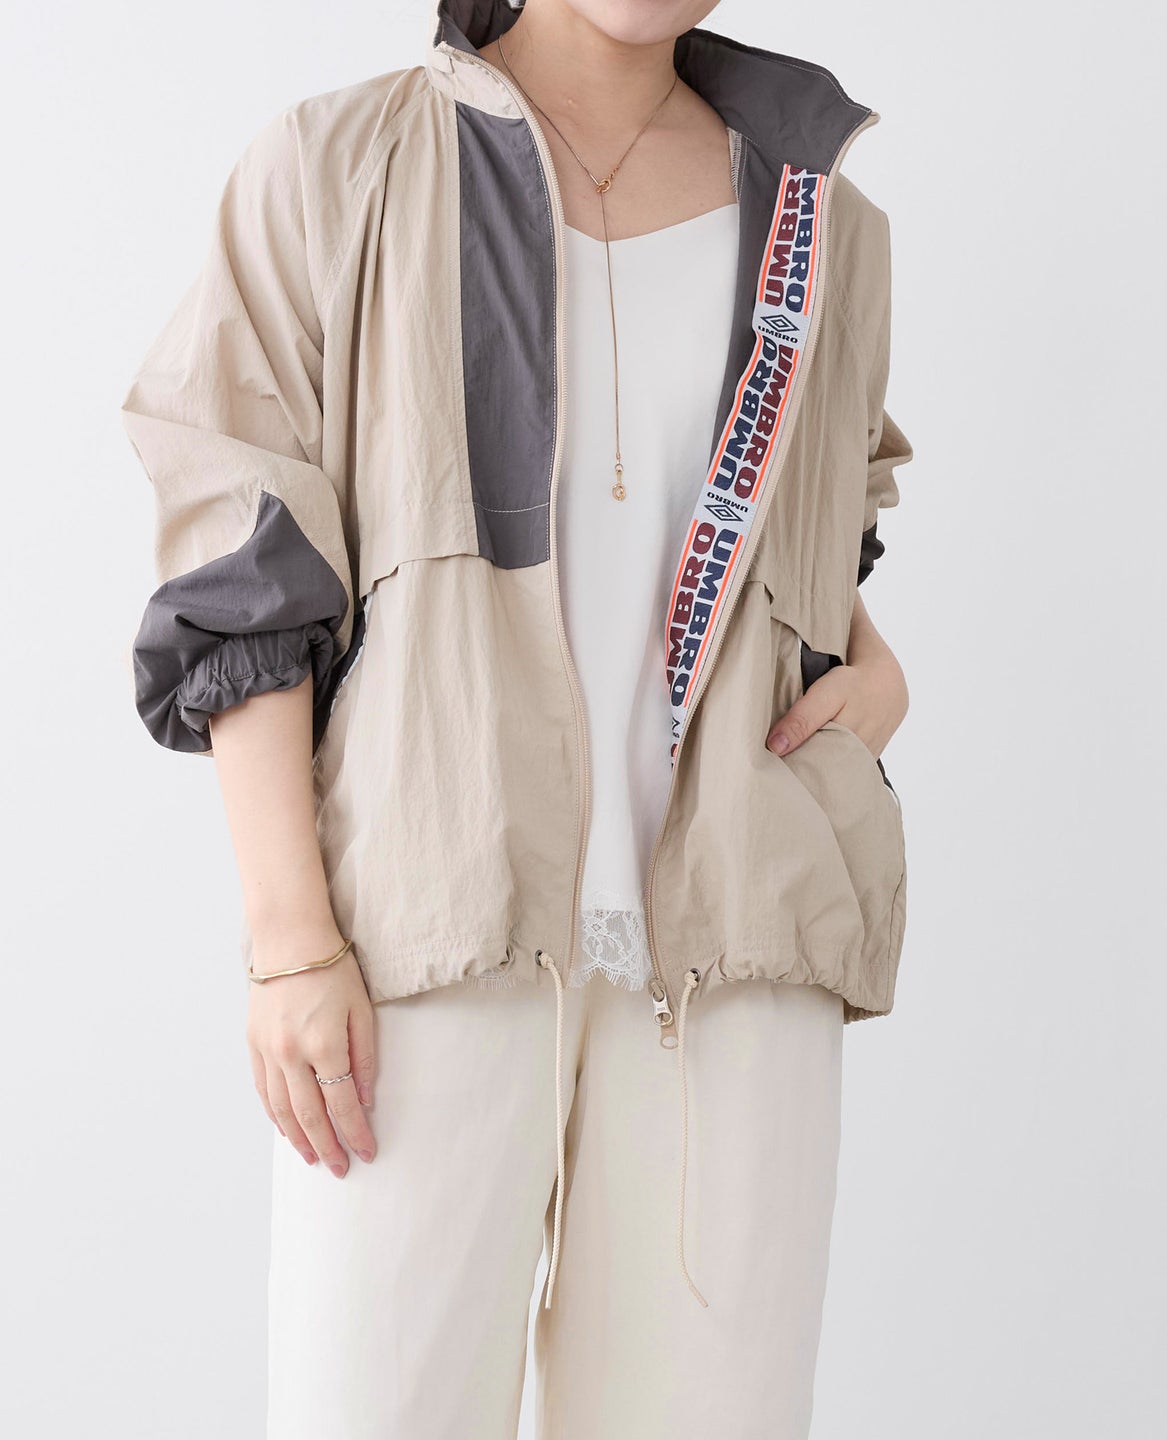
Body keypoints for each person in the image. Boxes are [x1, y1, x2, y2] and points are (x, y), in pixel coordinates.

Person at [120, 0, 914, 1434]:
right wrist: (290, 938)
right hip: (427, 939)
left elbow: (809, 541)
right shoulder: (341, 167)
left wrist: (878, 671)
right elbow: (244, 563)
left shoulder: (823, 219)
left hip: (736, 955)